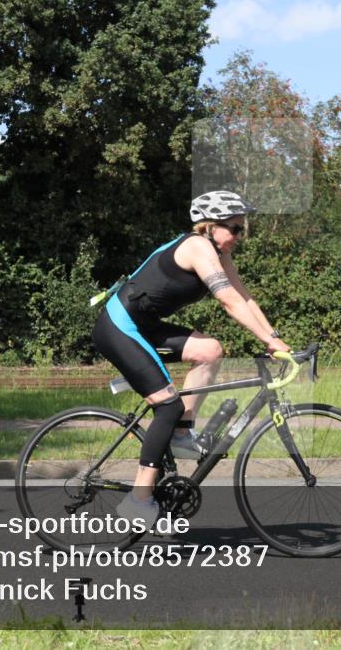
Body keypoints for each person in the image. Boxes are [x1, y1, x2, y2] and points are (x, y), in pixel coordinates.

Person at [91, 190, 292, 527]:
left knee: (210, 350)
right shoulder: (198, 247)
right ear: (210, 226)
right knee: (168, 405)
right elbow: (229, 302)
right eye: (235, 228)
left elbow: (245, 298)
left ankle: (182, 435)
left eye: (242, 229)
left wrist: (274, 339)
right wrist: (268, 340)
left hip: (145, 327)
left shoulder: (218, 253)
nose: (240, 237)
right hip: (119, 327)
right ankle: (139, 500)